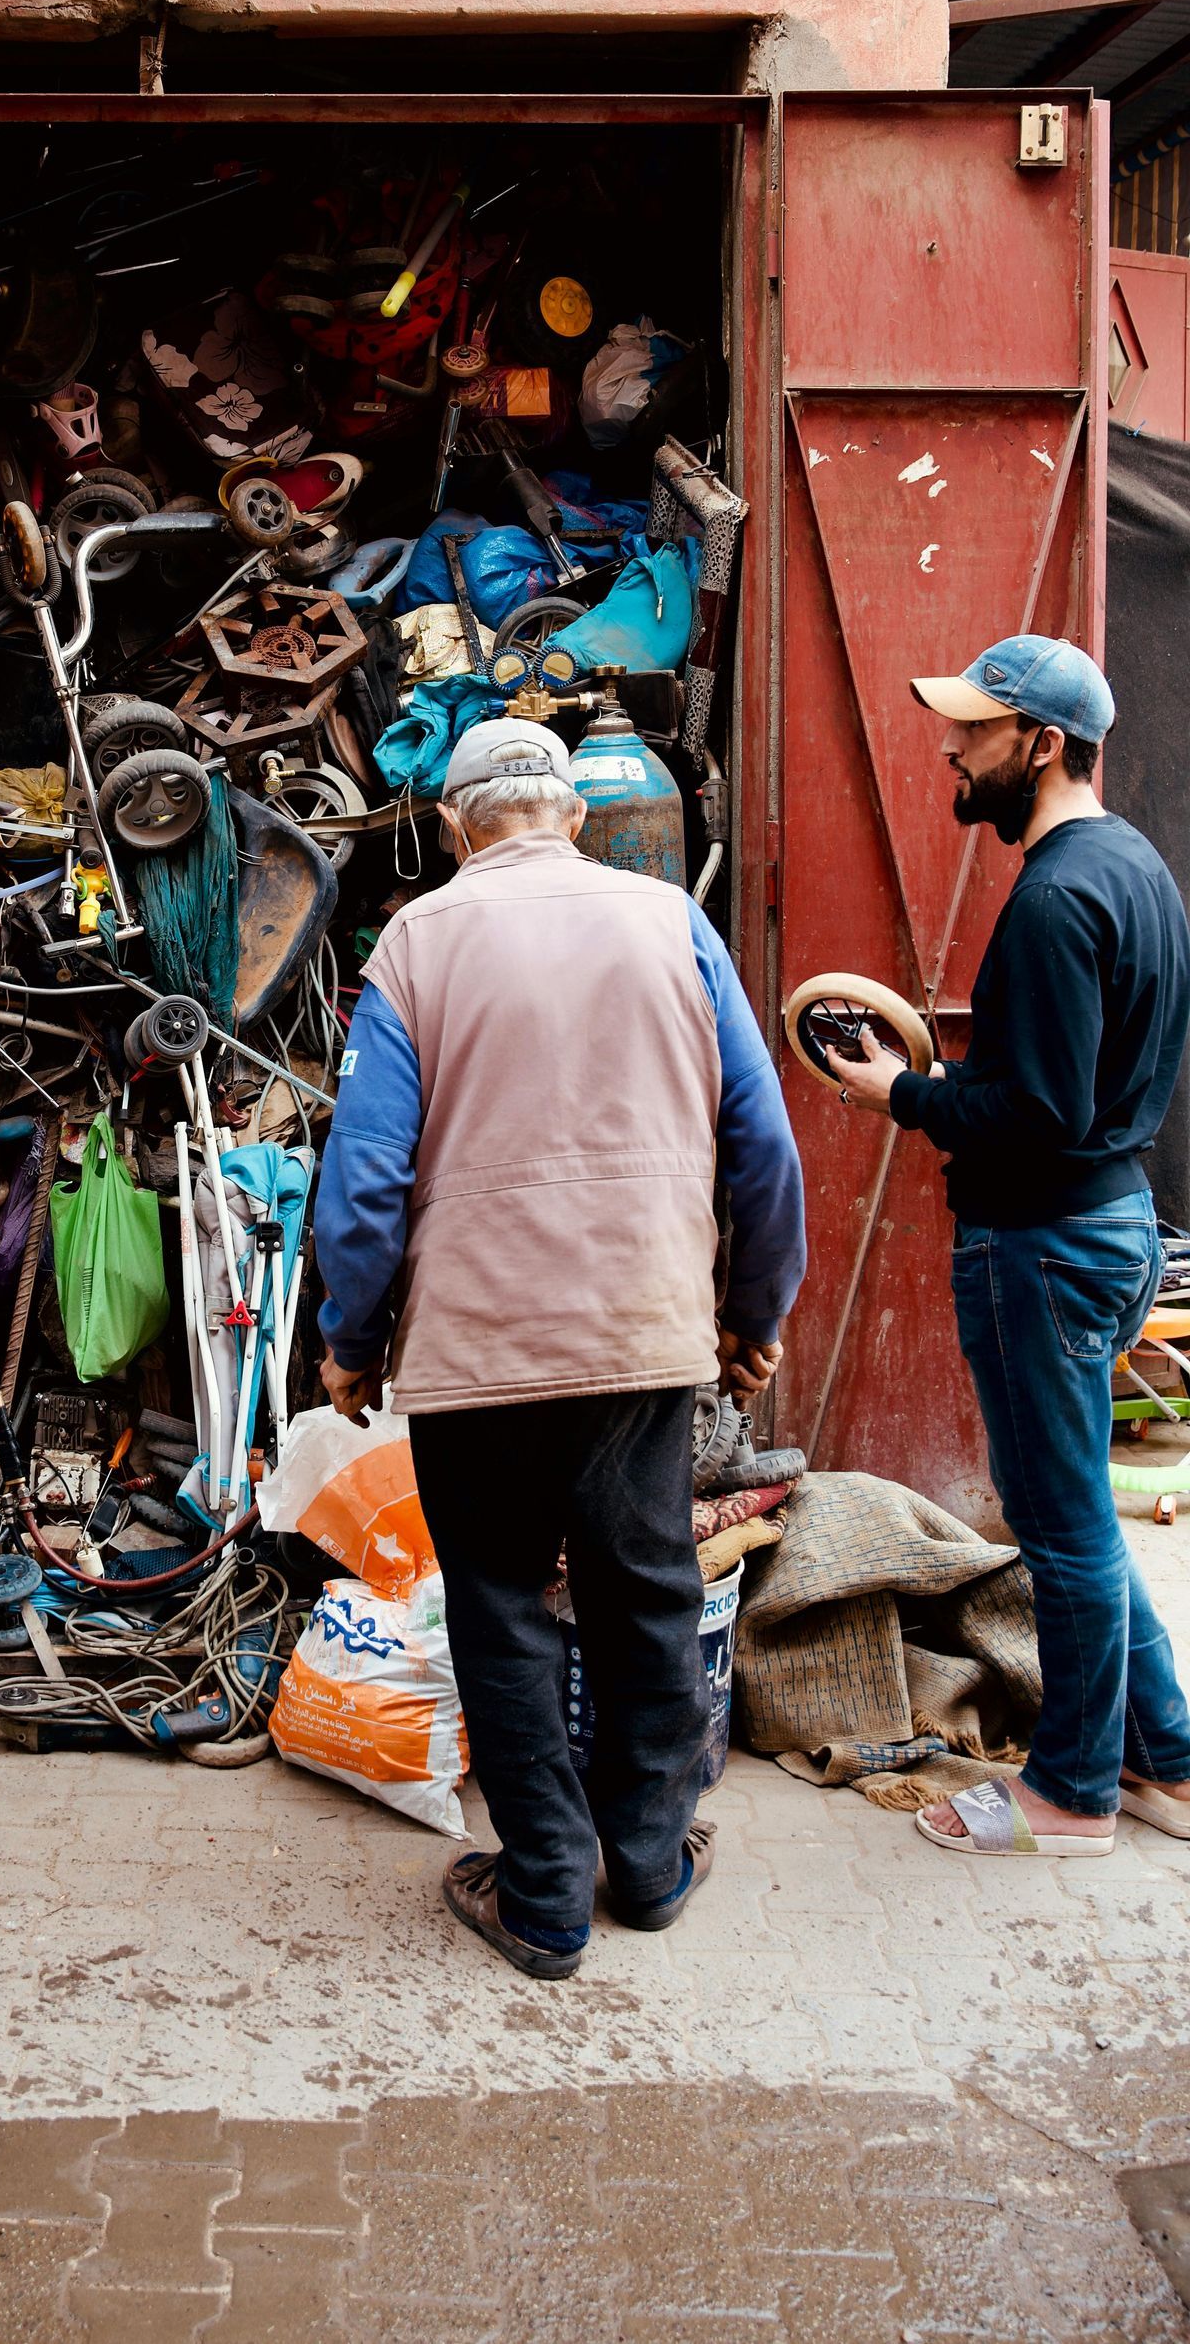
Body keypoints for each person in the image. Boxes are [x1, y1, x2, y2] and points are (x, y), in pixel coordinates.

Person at [313, 717, 806, 1978]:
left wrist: (350, 1339)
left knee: (499, 1605)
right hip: (644, 1332)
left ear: (453, 825)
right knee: (647, 1594)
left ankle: (541, 1897)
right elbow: (764, 1147)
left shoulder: (415, 941)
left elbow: (363, 1179)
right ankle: (644, 1866)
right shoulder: (670, 923)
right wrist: (752, 1313)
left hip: (478, 1350)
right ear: (572, 815)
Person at [829, 634, 1190, 1859]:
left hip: (1043, 1242)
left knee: (1065, 1530)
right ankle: (1170, 1761)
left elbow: (1038, 1114)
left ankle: (1074, 1790)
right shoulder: (1135, 865)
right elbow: (1073, 1091)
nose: (949, 747)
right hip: (1109, 1217)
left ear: (1041, 742)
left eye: (973, 729)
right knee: (1084, 1512)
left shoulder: (1051, 897)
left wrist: (904, 1095)